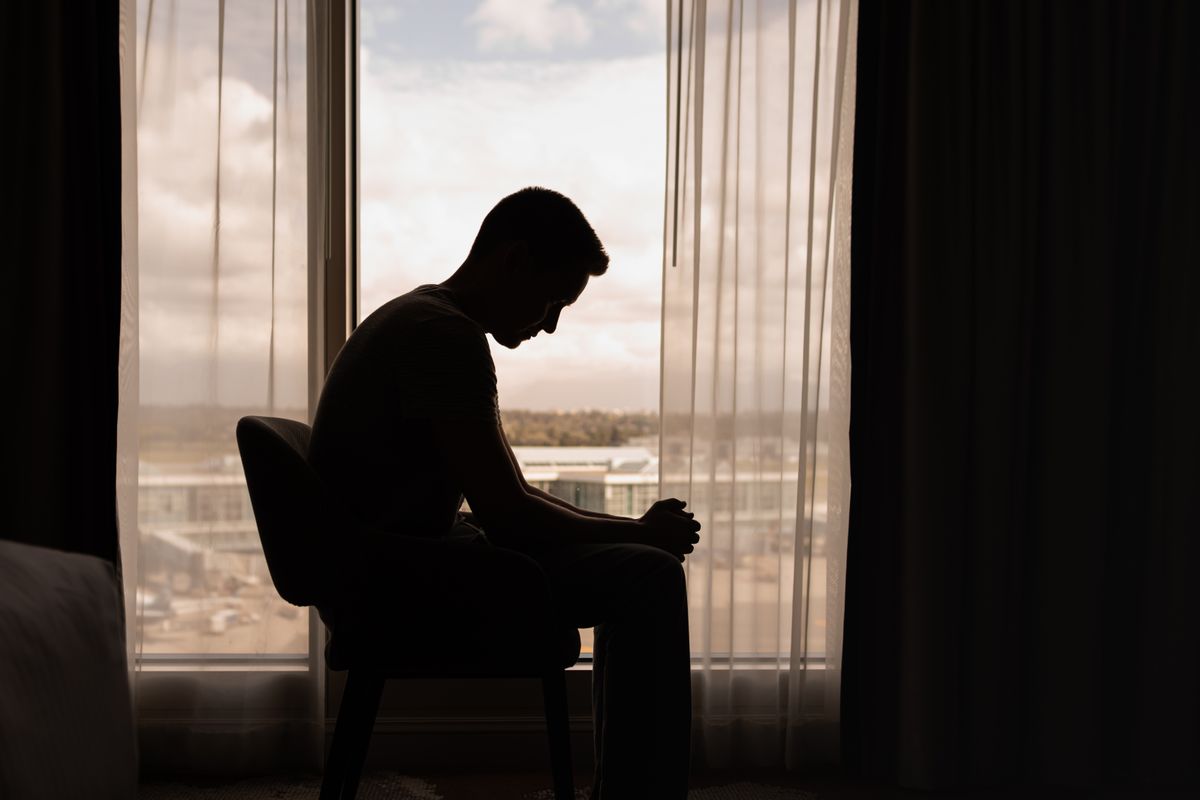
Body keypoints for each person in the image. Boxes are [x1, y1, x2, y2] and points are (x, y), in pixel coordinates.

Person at [309, 187, 700, 798]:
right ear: (515, 260)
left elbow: (510, 497)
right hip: (397, 583)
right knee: (648, 576)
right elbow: (511, 516)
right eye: (553, 299)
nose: (550, 324)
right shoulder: (444, 336)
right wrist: (641, 533)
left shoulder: (421, 319)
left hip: (389, 564)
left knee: (640, 562)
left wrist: (635, 529)